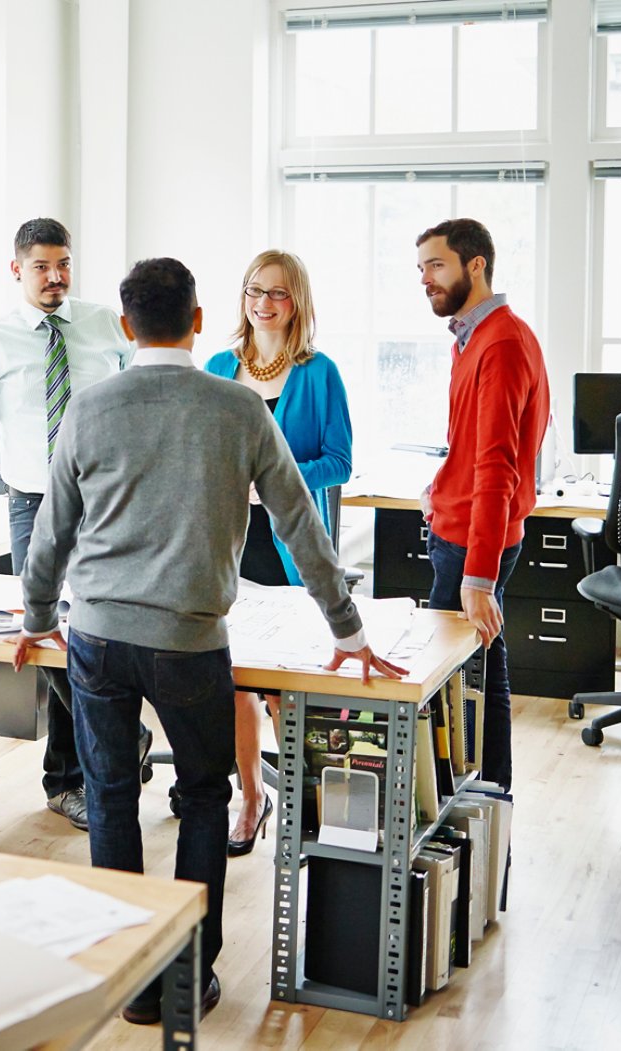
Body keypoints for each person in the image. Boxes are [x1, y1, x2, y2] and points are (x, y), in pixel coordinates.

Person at [13, 257, 406, 1024]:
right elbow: (301, 519)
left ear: (127, 327)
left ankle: (129, 975)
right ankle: (189, 972)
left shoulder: (89, 408)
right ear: (198, 321)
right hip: (190, 639)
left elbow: (50, 536)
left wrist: (35, 619)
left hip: (96, 634)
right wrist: (347, 627)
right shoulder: (237, 407)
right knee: (202, 794)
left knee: (112, 794)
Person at [0, 218, 148, 831]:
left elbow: (142, 396)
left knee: (105, 628)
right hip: (33, 503)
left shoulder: (105, 324)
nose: (55, 278)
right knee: (49, 635)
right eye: (41, 267)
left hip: (108, 497)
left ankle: (84, 768)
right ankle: (105, 751)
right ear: (16, 269)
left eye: (63, 265)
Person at [205, 249, 352, 857]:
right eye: (253, 291)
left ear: (298, 303)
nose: (263, 303)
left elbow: (339, 461)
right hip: (226, 543)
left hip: (288, 547)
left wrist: (271, 480)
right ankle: (249, 796)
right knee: (235, 679)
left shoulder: (319, 373)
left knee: (283, 684)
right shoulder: (218, 365)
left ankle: (302, 802)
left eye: (278, 294)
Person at [415, 218, 550, 792]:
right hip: (462, 528)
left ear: (476, 265)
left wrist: (478, 575)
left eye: (436, 265)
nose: (425, 279)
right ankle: (485, 801)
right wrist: (440, 484)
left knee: (466, 681)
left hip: (473, 542)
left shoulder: (501, 343)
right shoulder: (474, 337)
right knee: (477, 672)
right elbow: (474, 447)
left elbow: (498, 466)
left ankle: (483, 799)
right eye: (420, 269)